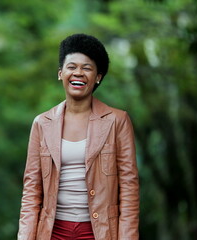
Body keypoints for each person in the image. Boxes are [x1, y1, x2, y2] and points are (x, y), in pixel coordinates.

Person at [17, 33, 139, 240]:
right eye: (71, 67)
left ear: (98, 77)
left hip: (100, 232)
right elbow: (32, 190)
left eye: (87, 68)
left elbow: (129, 187)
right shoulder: (42, 124)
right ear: (60, 73)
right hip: (51, 232)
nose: (78, 73)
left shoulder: (117, 121)